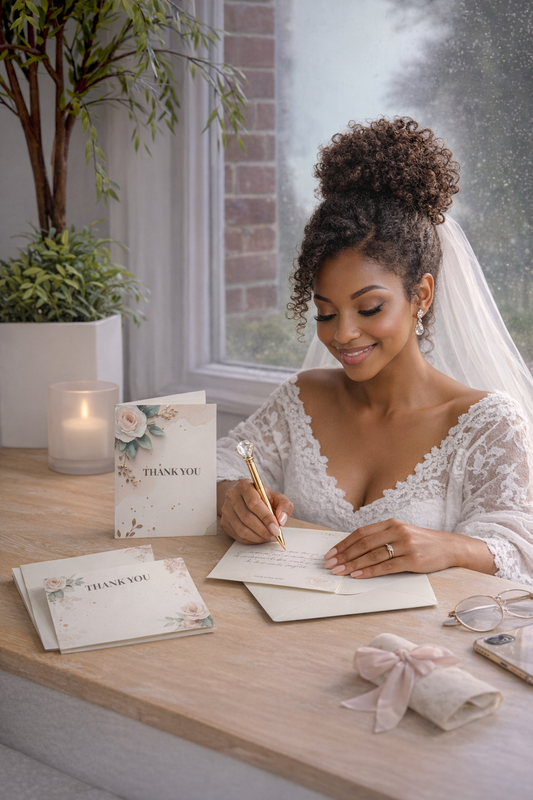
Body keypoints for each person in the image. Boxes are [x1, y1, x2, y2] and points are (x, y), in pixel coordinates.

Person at [217, 117, 533, 585]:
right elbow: (225, 457)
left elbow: (520, 555)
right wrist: (230, 494)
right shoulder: (301, 399)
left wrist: (446, 546)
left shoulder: (488, 425)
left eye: (369, 308)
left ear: (420, 295)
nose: (343, 335)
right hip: (284, 646)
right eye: (325, 313)